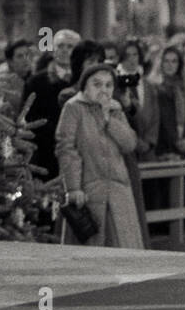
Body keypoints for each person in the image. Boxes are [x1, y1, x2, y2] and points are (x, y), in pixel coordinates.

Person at [57, 63, 145, 249]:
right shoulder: (73, 108)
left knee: (124, 251)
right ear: (85, 87)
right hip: (88, 192)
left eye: (108, 85)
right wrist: (73, 188)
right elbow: (66, 149)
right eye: (97, 84)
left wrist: (108, 120)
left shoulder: (115, 109)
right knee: (90, 252)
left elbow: (130, 144)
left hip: (119, 192)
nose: (103, 90)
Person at [23, 28, 81, 179]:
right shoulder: (36, 81)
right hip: (46, 150)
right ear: (53, 49)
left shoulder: (83, 80)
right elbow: (29, 116)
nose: (65, 51)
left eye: (70, 47)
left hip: (78, 150)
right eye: (60, 46)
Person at [152, 46, 185, 157]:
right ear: (160, 63)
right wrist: (176, 141)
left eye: (174, 61)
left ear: (179, 64)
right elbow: (157, 123)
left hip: (184, 145)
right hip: (162, 148)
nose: (170, 65)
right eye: (166, 61)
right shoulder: (153, 88)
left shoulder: (182, 88)